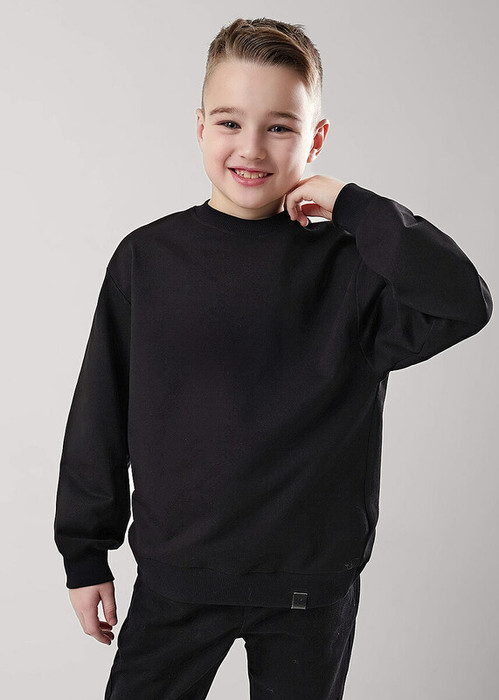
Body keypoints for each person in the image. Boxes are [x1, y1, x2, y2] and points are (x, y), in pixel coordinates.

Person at [53, 16, 493, 700]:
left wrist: (355, 206)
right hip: (178, 577)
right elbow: (100, 415)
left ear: (316, 138)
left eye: (280, 127)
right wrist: (85, 556)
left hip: (308, 589)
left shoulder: (352, 269)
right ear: (200, 127)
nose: (251, 147)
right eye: (230, 122)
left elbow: (463, 302)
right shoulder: (148, 260)